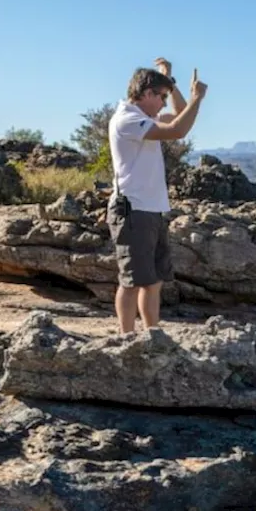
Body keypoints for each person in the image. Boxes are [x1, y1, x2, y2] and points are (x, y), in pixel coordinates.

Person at [107, 57, 208, 333]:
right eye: (161, 96)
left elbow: (179, 115)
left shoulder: (144, 117)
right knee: (131, 281)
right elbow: (177, 130)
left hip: (150, 209)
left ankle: (153, 337)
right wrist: (197, 98)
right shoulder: (127, 119)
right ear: (147, 93)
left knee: (153, 281)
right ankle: (126, 338)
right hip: (132, 208)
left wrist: (172, 84)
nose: (164, 103)